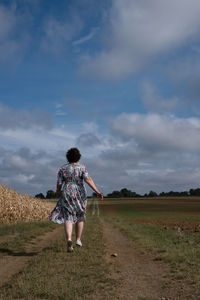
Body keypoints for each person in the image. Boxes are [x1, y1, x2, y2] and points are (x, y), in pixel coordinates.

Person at [49, 147, 103, 252]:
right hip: (80, 193)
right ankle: (78, 239)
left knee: (68, 217)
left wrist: (57, 191)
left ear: (67, 157)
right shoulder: (82, 168)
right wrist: (97, 191)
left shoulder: (63, 169)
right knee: (80, 215)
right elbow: (88, 180)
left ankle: (69, 239)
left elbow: (59, 183)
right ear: (78, 157)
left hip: (67, 192)